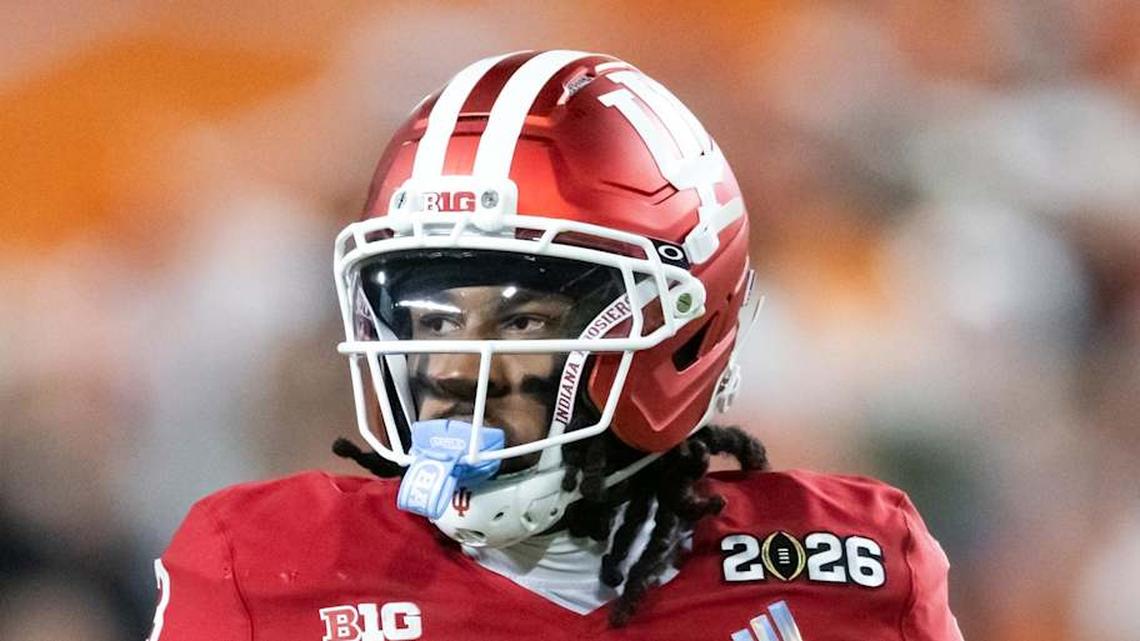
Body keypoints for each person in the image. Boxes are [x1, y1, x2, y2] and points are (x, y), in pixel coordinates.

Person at [148, 50, 964, 641]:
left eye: (522, 321)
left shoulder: (849, 570)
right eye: (435, 321)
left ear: (677, 329)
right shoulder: (261, 567)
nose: (456, 368)